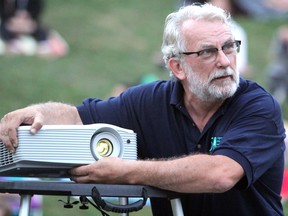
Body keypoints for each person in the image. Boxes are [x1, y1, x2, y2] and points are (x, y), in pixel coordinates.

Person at [0, 3, 286, 216]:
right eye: (208, 51)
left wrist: (127, 171)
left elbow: (220, 174)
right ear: (177, 67)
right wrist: (34, 111)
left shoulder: (257, 106)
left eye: (229, 47)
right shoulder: (149, 101)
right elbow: (78, 117)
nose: (224, 60)